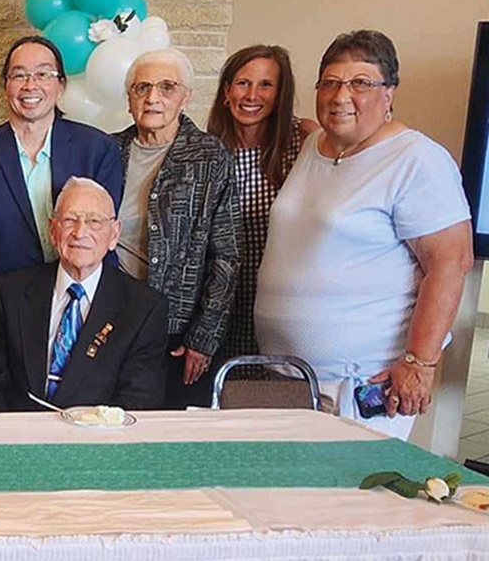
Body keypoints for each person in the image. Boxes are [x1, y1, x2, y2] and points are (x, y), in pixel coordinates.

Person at [255, 30, 472, 440]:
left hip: (360, 387)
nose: (341, 96)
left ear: (389, 94)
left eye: (360, 83)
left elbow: (450, 263)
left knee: (347, 499)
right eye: (331, 83)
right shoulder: (313, 145)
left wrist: (419, 363)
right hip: (287, 378)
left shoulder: (416, 159)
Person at [0, 36, 123, 386]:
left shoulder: (97, 149)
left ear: (60, 85)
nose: (31, 85)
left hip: (80, 312)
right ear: (6, 85)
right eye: (19, 75)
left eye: (43, 74)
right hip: (2, 321)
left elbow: (106, 241)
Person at [0, 177, 167, 412]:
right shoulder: (8, 293)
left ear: (114, 235)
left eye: (94, 222)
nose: (80, 233)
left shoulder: (143, 308)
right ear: (53, 230)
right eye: (70, 220)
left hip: (97, 442)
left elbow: (138, 401)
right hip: (19, 439)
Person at [113, 48, 240, 408]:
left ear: (186, 97)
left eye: (167, 87)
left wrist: (204, 336)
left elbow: (227, 257)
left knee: (168, 436)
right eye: (141, 88)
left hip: (177, 330)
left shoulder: (210, 157)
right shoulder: (108, 151)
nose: (152, 97)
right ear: (129, 99)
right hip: (112, 321)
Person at [206, 45, 317, 364]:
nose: (252, 95)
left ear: (281, 94)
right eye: (243, 83)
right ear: (227, 91)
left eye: (266, 85)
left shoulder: (305, 140)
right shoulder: (210, 149)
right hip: (227, 300)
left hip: (286, 300)